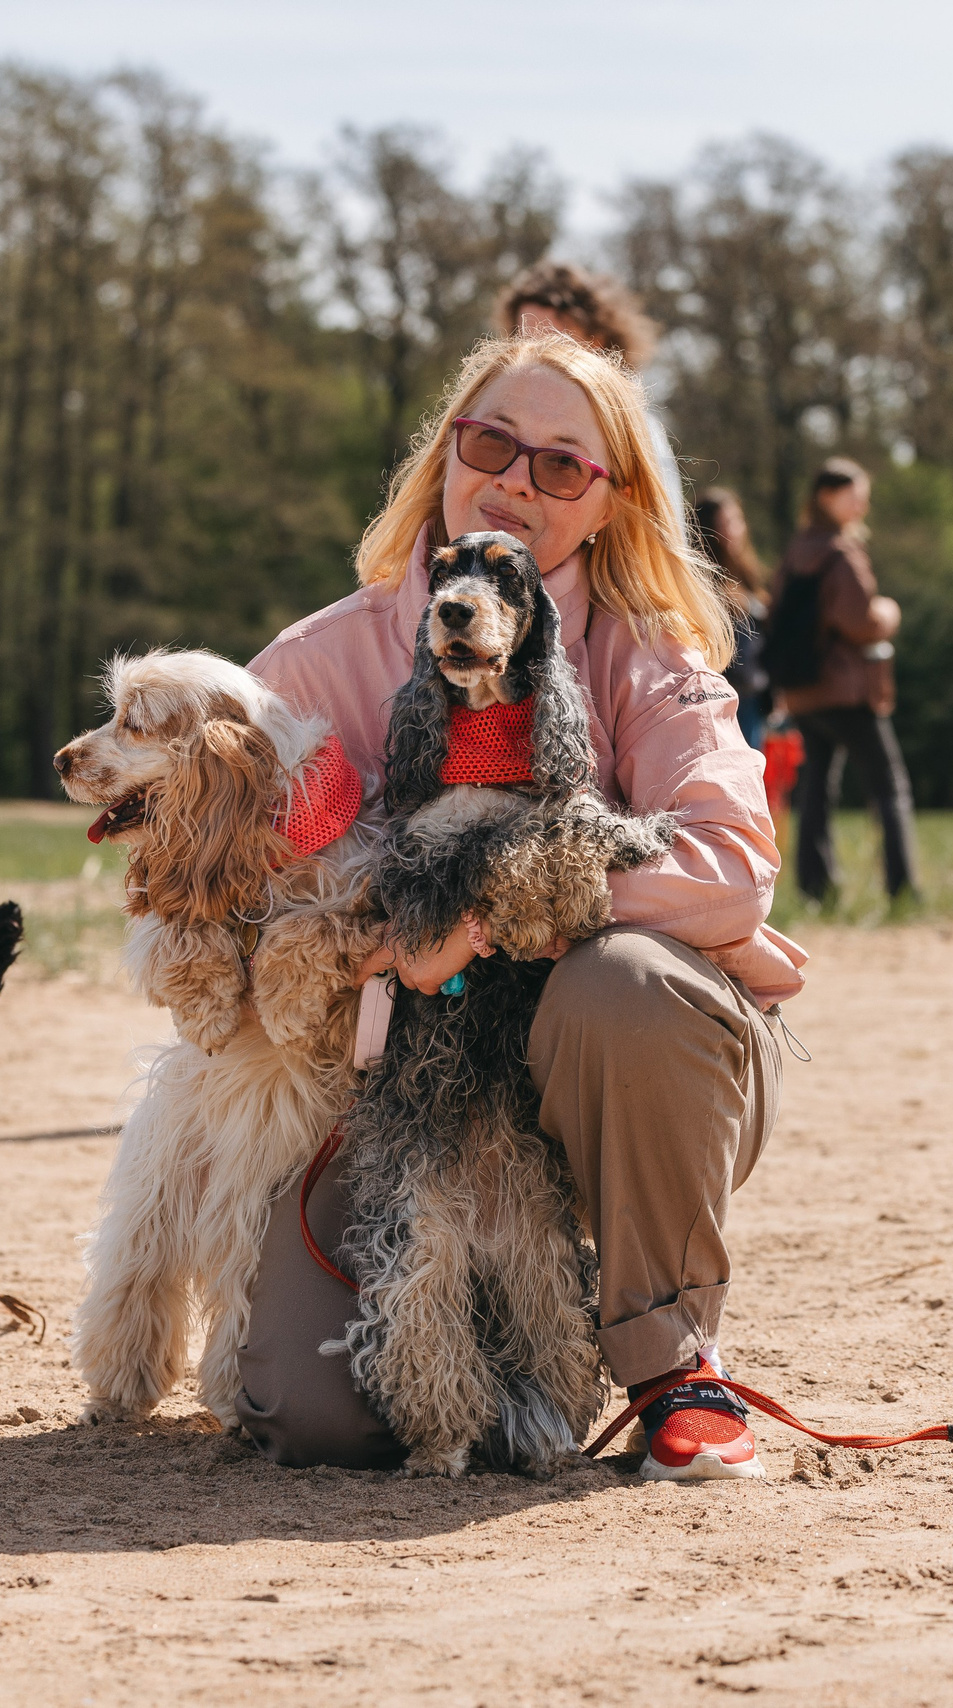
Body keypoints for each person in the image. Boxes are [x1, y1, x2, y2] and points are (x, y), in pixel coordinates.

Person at [234, 331, 806, 1481]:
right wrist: (370, 942)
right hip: (413, 1083)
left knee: (623, 983)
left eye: (560, 465)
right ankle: (488, 1368)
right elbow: (237, 889)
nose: (514, 480)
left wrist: (489, 911)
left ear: (609, 504)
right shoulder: (313, 664)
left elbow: (733, 864)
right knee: (316, 1416)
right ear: (444, 459)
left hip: (628, 1075)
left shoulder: (653, 654)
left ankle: (671, 1361)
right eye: (491, 444)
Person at [771, 458, 920, 903]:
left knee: (816, 788)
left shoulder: (796, 550)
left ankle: (816, 889)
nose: (862, 504)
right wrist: (889, 613)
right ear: (826, 496)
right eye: (853, 494)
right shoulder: (840, 551)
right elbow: (859, 620)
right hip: (845, 690)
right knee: (890, 785)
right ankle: (903, 888)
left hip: (803, 691)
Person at [494, 261, 686, 519]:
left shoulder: (635, 431)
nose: (536, 353)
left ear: (597, 342)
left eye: (553, 341)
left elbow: (662, 534)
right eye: (524, 339)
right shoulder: (494, 417)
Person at [690, 487, 770, 751]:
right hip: (722, 691)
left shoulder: (746, 572)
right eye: (724, 523)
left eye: (737, 520)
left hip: (754, 692)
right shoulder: (701, 581)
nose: (734, 530)